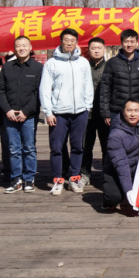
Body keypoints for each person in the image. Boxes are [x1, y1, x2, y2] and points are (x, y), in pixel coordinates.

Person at [40, 28, 94, 195]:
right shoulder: (51, 63)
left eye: (72, 40)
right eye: (66, 40)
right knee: (56, 147)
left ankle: (75, 178)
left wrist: (87, 106)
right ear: (61, 42)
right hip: (58, 113)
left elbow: (88, 85)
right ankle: (58, 180)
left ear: (76, 42)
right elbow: (45, 89)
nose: (69, 43)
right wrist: (48, 112)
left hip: (80, 112)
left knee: (78, 147)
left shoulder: (83, 62)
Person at [0, 36, 42, 194]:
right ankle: (16, 179)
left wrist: (26, 111)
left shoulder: (38, 68)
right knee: (13, 148)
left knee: (29, 148)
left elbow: (39, 93)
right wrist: (7, 110)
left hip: (29, 116)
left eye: (24, 45)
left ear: (30, 47)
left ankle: (29, 179)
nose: (21, 48)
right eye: (18, 46)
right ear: (14, 49)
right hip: (9, 115)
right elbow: (0, 90)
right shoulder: (7, 67)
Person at [99, 30, 139, 158]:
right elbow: (105, 88)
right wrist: (105, 112)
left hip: (136, 112)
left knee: (136, 144)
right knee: (113, 144)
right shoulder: (112, 63)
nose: (129, 44)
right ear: (121, 43)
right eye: (126, 41)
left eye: (132, 41)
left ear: (137, 43)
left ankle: (132, 170)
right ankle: (110, 170)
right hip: (116, 111)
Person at [102, 99, 139, 212]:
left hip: (137, 170)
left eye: (136, 110)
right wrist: (129, 190)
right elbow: (121, 166)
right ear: (123, 112)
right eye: (129, 110)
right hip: (116, 171)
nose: (133, 114)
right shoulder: (115, 135)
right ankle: (108, 200)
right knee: (114, 197)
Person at [78, 37, 109, 186]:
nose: (96, 51)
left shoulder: (109, 67)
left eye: (99, 48)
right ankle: (85, 174)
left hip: (104, 114)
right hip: (87, 114)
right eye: (93, 48)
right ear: (88, 50)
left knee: (107, 146)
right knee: (85, 146)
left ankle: (106, 174)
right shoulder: (83, 67)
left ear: (104, 49)